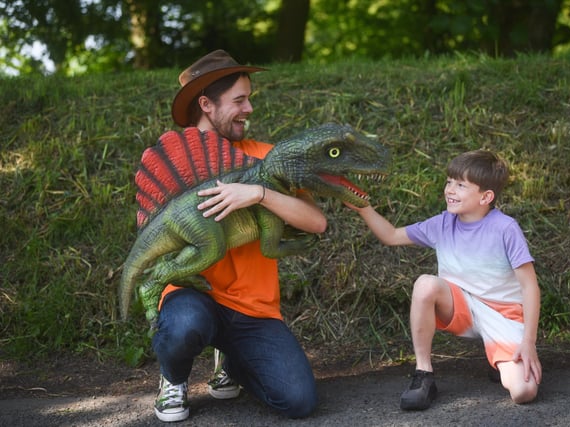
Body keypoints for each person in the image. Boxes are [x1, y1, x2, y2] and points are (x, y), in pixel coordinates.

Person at [149, 50, 327, 422]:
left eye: (249, 99)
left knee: (299, 401)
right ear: (206, 105)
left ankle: (235, 362)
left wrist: (260, 193)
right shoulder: (177, 162)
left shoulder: (267, 156)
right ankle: (173, 380)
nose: (248, 109)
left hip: (253, 307)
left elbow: (316, 222)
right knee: (185, 325)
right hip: (192, 295)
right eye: (239, 100)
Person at [345, 149, 542, 410]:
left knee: (523, 392)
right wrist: (363, 207)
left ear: (486, 197)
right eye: (449, 181)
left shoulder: (505, 228)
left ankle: (502, 358)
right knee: (425, 284)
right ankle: (423, 375)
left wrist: (528, 343)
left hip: (502, 315)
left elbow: (530, 287)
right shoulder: (443, 223)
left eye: (461, 185)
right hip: (460, 307)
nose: (450, 189)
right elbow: (391, 235)